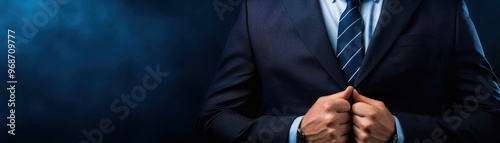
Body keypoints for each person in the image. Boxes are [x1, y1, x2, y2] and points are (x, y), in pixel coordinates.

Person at [198, 0, 500, 142]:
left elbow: (489, 116)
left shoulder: (443, 6)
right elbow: (217, 119)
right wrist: (297, 131)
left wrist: (403, 131)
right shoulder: (260, 8)